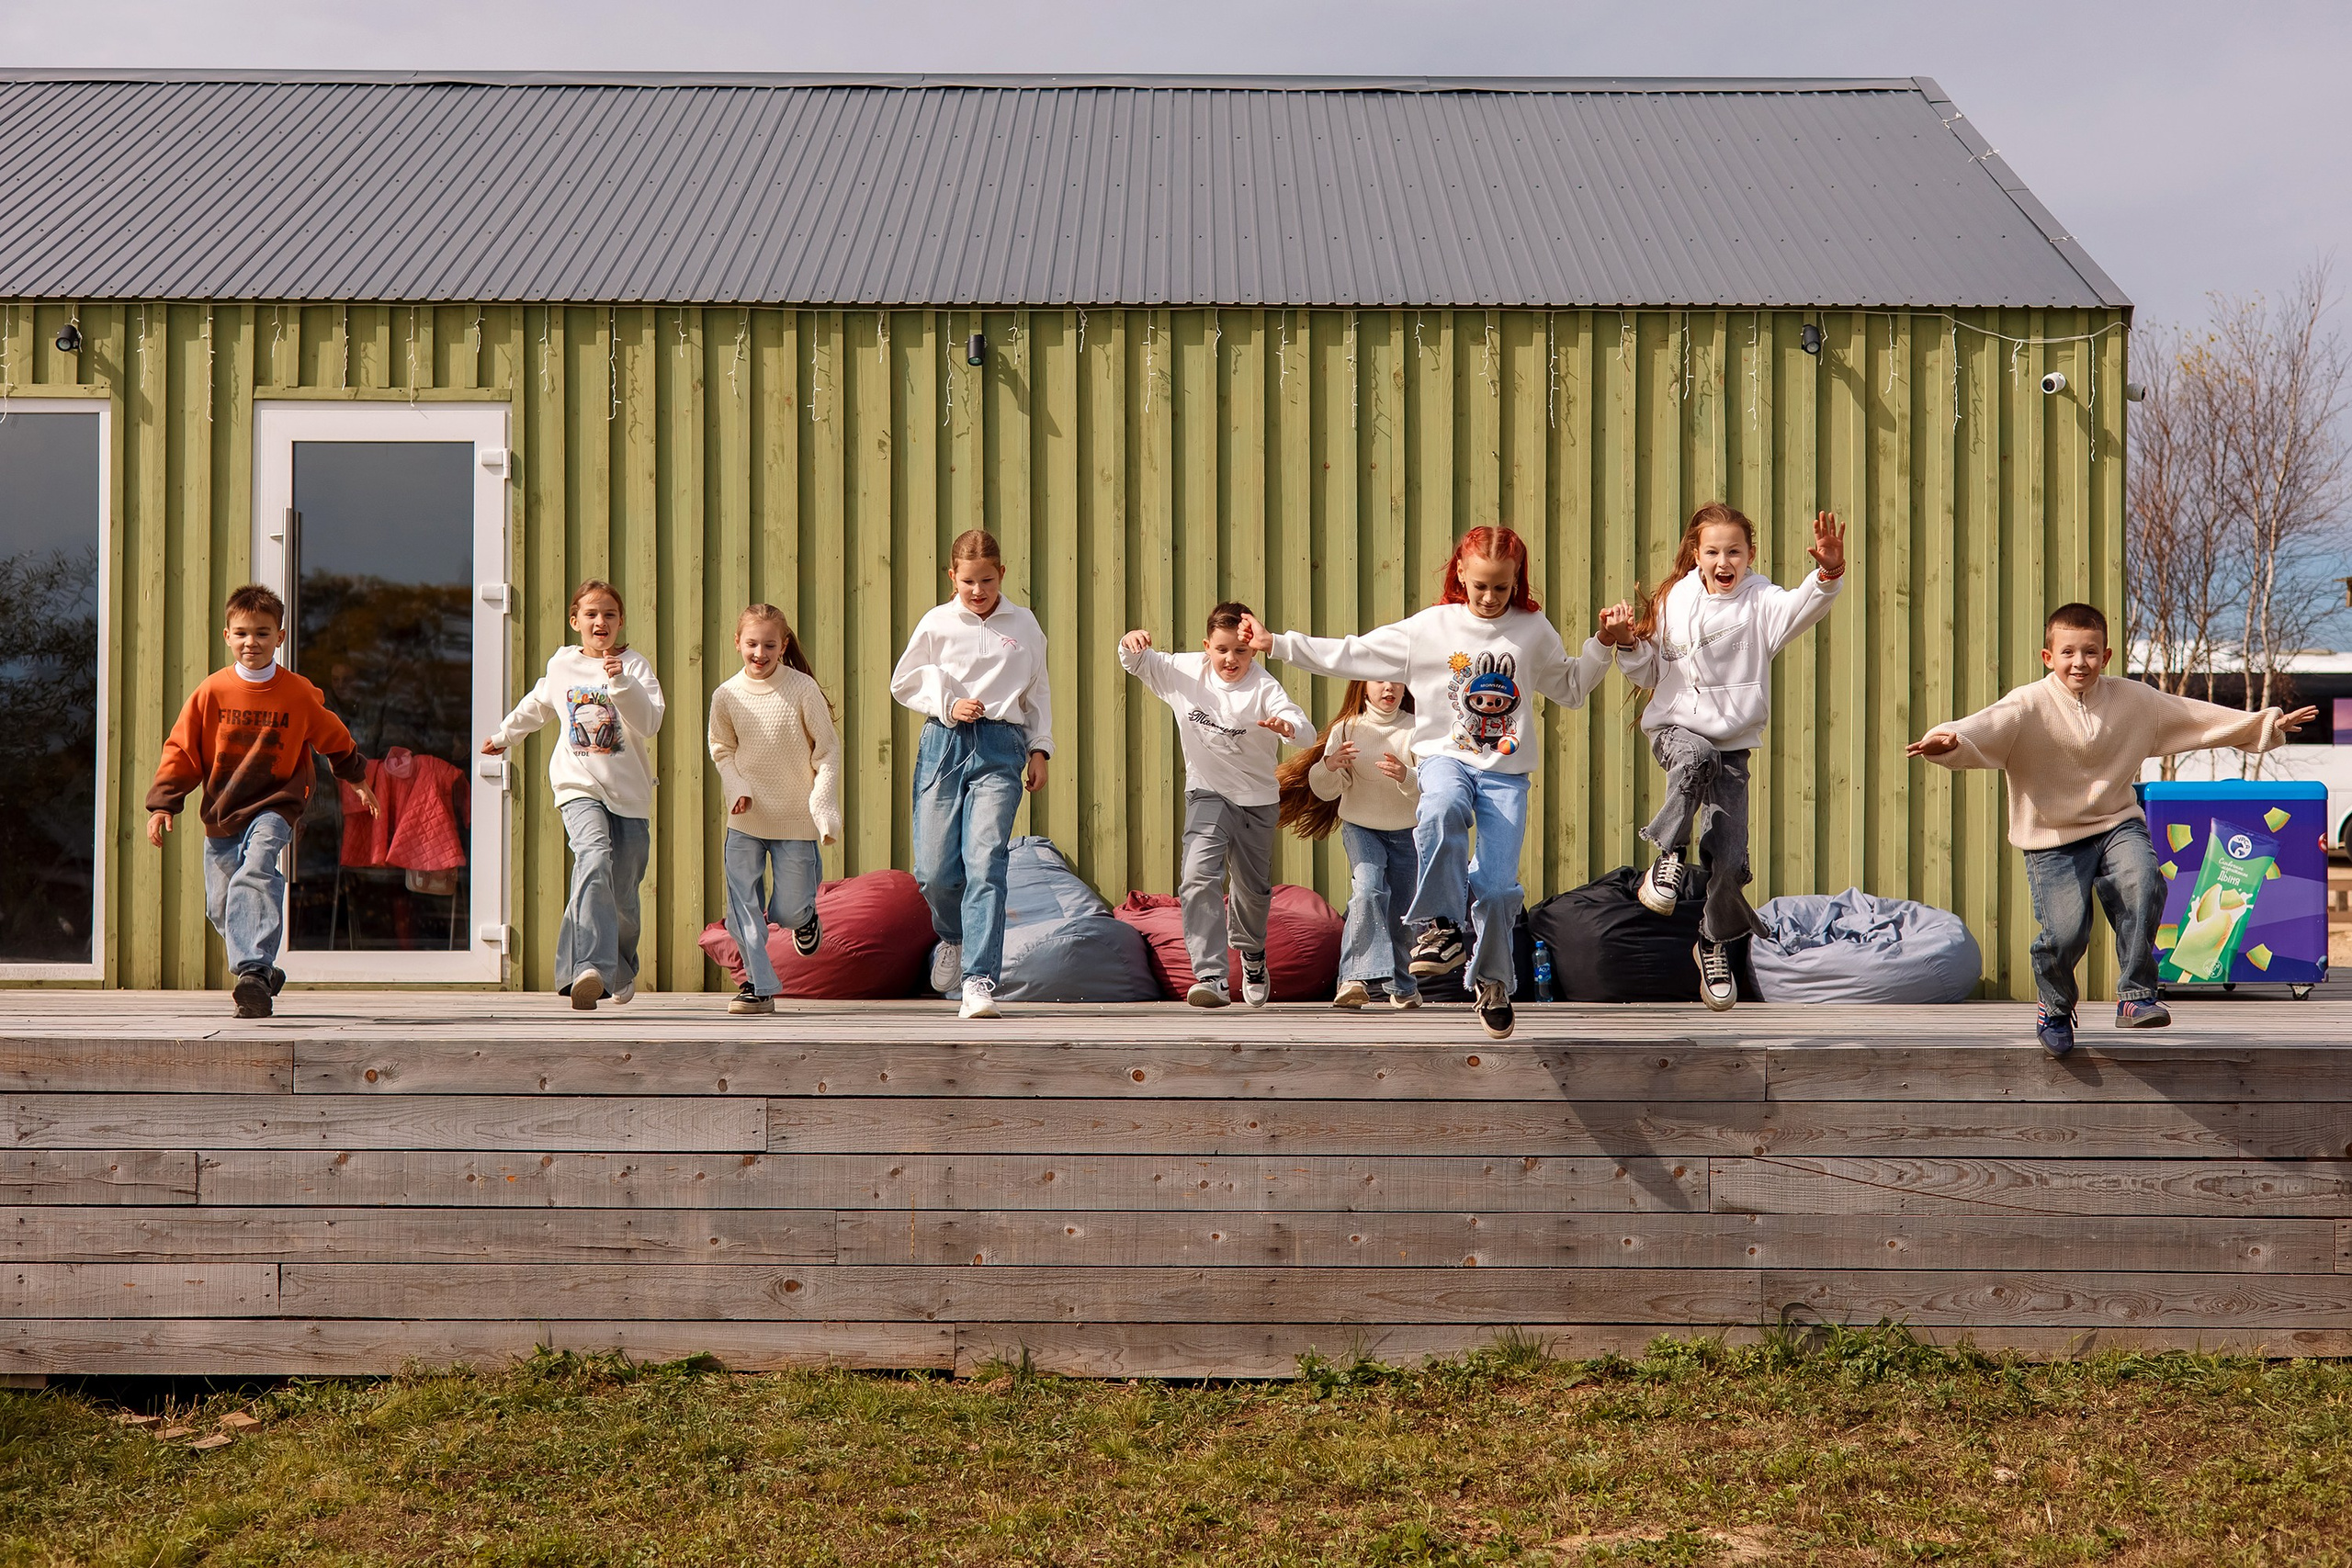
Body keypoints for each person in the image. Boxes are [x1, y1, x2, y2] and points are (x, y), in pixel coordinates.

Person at [1241, 525, 1619, 1039]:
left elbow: (1572, 688)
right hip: (1446, 757)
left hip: (1507, 775)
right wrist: (1279, 644)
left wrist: (1603, 644)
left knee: (1497, 887)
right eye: (1479, 585)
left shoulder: (1532, 630)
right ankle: (1440, 926)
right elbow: (1353, 653)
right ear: (1460, 574)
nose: (1489, 598)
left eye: (1501, 588)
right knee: (1439, 808)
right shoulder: (1430, 628)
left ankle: (1491, 983)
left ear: (1517, 582)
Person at [1908, 602, 2315, 1056]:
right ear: (2049, 657)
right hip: (2051, 837)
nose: (2078, 662)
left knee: (2143, 881)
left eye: (2089, 652)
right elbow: (1981, 727)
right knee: (2065, 933)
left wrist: (2265, 725)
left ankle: (2136, 998)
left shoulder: (2136, 701)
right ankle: (2056, 1006)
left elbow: (2196, 717)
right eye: (2067, 653)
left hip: (2116, 822)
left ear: (2106, 655)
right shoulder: (2027, 705)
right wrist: (1950, 739)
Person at [1614, 503, 1848, 1011]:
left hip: (1734, 746)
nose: (1724, 561)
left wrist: (1828, 572)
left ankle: (1712, 943)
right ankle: (1669, 854)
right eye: (1713, 551)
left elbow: (1806, 603)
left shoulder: (1762, 602)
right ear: (1696, 555)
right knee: (1696, 757)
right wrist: (1629, 643)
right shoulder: (1676, 598)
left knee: (1730, 858)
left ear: (1750, 555)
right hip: (1676, 731)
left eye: (1734, 552)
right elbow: (1647, 673)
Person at [146, 584, 379, 1018]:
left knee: (256, 869)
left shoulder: (297, 692)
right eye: (242, 633)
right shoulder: (211, 692)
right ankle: (265, 971)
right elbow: (182, 749)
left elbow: (334, 737)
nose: (251, 642)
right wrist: (164, 803)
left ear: (280, 637)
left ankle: (252, 974)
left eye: (262, 633)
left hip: (278, 801)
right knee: (222, 905)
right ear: (227, 637)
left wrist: (355, 777)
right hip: (224, 806)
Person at [890, 529, 1054, 1021]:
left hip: (1002, 748)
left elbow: (1038, 691)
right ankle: (954, 938)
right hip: (944, 743)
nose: (978, 590)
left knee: (986, 862)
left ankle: (979, 980)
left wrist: (1039, 749)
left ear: (1002, 574)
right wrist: (947, 703)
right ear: (952, 578)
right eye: (967, 582)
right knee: (935, 871)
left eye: (986, 580)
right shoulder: (937, 623)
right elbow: (904, 681)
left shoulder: (1024, 624)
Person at [482, 579, 665, 1010]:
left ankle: (618, 966)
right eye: (591, 614)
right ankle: (587, 970)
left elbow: (649, 723)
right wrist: (505, 735)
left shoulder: (635, 667)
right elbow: (538, 703)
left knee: (623, 891)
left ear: (620, 622)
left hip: (630, 793)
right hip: (577, 784)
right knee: (593, 858)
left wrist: (620, 684)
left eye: (609, 615)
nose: (600, 621)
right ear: (575, 621)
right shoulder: (563, 663)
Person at [1120, 604, 1314, 1008]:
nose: (1231, 660)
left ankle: (1253, 955)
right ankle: (1211, 976)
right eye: (1222, 650)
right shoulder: (1184, 672)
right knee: (1196, 875)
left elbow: (1305, 730)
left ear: (1254, 651)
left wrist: (1287, 727)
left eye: (1241, 652)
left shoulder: (1264, 688)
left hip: (1257, 799)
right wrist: (1130, 643)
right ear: (1207, 646)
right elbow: (1136, 662)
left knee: (1252, 889)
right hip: (1207, 792)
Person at [708, 604, 841, 1016]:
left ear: (783, 646)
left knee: (786, 909)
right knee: (741, 906)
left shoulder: (802, 689)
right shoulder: (726, 695)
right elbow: (721, 750)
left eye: (769, 644)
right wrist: (736, 787)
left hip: (794, 818)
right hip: (745, 818)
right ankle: (758, 986)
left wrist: (821, 802)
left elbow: (829, 751)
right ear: (737, 643)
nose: (759, 653)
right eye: (751, 644)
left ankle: (804, 918)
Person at [1276, 680, 1421, 1010]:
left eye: (1396, 682)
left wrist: (1406, 775)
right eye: (1379, 681)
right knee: (1368, 891)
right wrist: (1329, 766)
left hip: (1407, 831)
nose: (1389, 688)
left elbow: (1430, 782)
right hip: (1361, 826)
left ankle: (1403, 984)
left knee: (1402, 910)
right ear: (1362, 688)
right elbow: (1326, 790)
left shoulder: (1416, 728)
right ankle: (1353, 979)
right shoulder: (1346, 729)